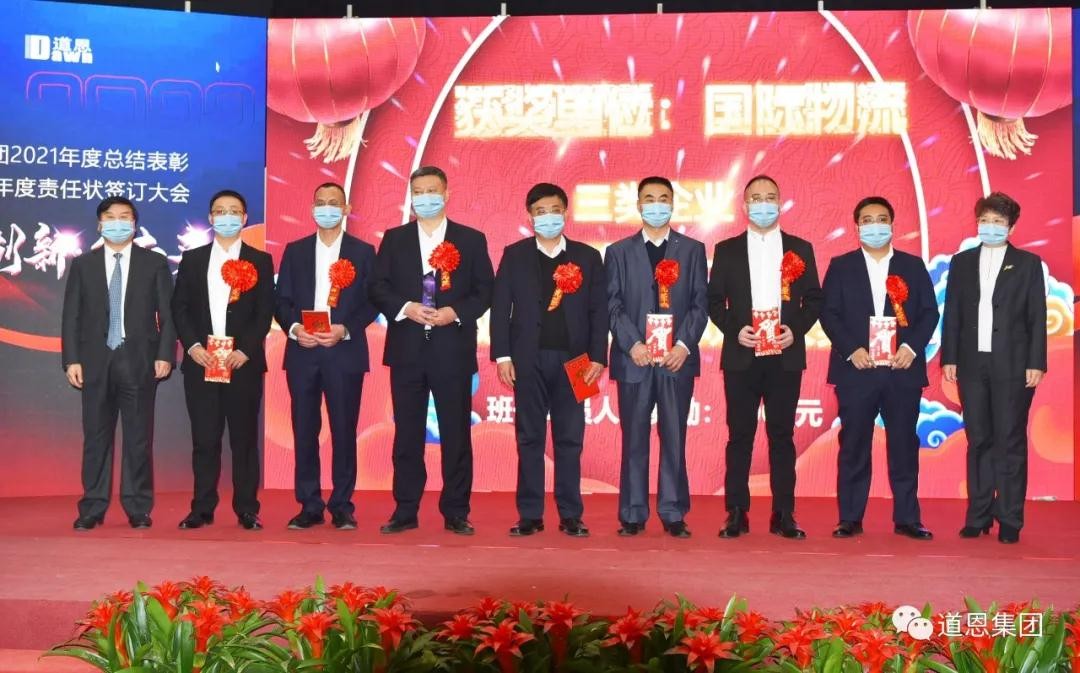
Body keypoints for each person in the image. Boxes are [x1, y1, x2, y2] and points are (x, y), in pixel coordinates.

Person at [370, 166, 494, 535]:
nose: (425, 198)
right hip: (407, 350)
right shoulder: (395, 238)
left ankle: (456, 510)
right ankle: (405, 509)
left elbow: (485, 291)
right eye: (419, 192)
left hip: (452, 349)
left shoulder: (470, 239)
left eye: (432, 190)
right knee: (407, 434)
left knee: (456, 434)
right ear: (411, 197)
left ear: (446, 193)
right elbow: (377, 287)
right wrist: (406, 308)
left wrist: (454, 312)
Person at [707, 175, 822, 539]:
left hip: (784, 356)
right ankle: (736, 512)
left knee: (782, 436)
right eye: (756, 198)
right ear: (744, 206)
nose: (763, 204)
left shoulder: (800, 248)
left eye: (770, 197)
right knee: (739, 435)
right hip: (743, 353)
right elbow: (713, 301)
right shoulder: (727, 250)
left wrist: (796, 329)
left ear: (780, 202)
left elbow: (814, 299)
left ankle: (783, 513)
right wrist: (733, 329)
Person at [490, 183, 607, 538]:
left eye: (555, 210)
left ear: (565, 212)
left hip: (578, 361)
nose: (548, 217)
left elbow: (599, 311)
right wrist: (503, 356)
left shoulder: (588, 257)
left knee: (571, 438)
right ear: (530, 217)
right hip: (527, 359)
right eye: (540, 211)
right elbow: (500, 308)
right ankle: (530, 514)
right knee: (529, 437)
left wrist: (598, 357)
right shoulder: (515, 255)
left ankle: (571, 514)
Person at [820, 196, 938, 540]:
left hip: (902, 370)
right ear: (857, 226)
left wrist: (911, 348)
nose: (875, 226)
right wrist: (851, 349)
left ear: (892, 224)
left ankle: (908, 519)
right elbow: (829, 313)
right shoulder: (841, 266)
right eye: (867, 220)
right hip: (857, 370)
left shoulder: (912, 266)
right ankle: (850, 518)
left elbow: (929, 312)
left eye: (882, 219)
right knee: (854, 444)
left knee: (904, 445)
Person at [61, 196, 176, 530]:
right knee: (96, 437)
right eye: (110, 217)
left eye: (125, 217)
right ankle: (92, 507)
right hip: (95, 361)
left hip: (138, 359)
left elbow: (167, 315)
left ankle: (138, 506)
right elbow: (71, 316)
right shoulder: (83, 264)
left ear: (135, 224)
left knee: (139, 438)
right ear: (100, 225)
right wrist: (71, 359)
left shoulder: (154, 263)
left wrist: (165, 354)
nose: (117, 223)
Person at [606, 176, 708, 538]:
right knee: (634, 437)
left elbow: (700, 304)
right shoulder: (618, 252)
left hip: (676, 361)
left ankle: (673, 511)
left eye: (663, 198)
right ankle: (633, 512)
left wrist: (683, 345)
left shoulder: (692, 250)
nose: (656, 205)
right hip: (634, 360)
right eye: (649, 199)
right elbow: (612, 305)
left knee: (674, 437)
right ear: (638, 205)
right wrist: (632, 344)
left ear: (672, 204)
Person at [941, 192, 1046, 544]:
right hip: (972, 363)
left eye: (998, 222)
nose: (990, 227)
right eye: (985, 220)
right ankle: (979, 515)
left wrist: (1036, 362)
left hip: (1014, 365)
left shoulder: (1028, 264)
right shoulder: (962, 262)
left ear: (1011, 227)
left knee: (1010, 440)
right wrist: (950, 357)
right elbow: (953, 312)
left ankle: (1011, 519)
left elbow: (1037, 316)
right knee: (979, 439)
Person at [275, 182, 378, 530]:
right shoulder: (296, 251)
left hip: (343, 352)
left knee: (344, 430)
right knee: (304, 429)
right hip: (303, 352)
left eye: (334, 202)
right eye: (320, 202)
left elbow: (373, 301)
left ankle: (342, 505)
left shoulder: (363, 252)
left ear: (346, 209)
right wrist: (294, 329)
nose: (327, 208)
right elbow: (281, 300)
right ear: (312, 209)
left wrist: (344, 329)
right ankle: (310, 504)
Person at [171, 190, 274, 531]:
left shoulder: (260, 260)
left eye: (233, 211)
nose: (226, 216)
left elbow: (264, 311)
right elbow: (180, 308)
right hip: (202, 362)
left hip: (241, 363)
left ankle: (247, 508)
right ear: (210, 218)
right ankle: (202, 508)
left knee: (243, 441)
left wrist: (246, 349)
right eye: (219, 211)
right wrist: (192, 346)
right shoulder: (193, 259)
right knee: (205, 440)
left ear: (244, 218)